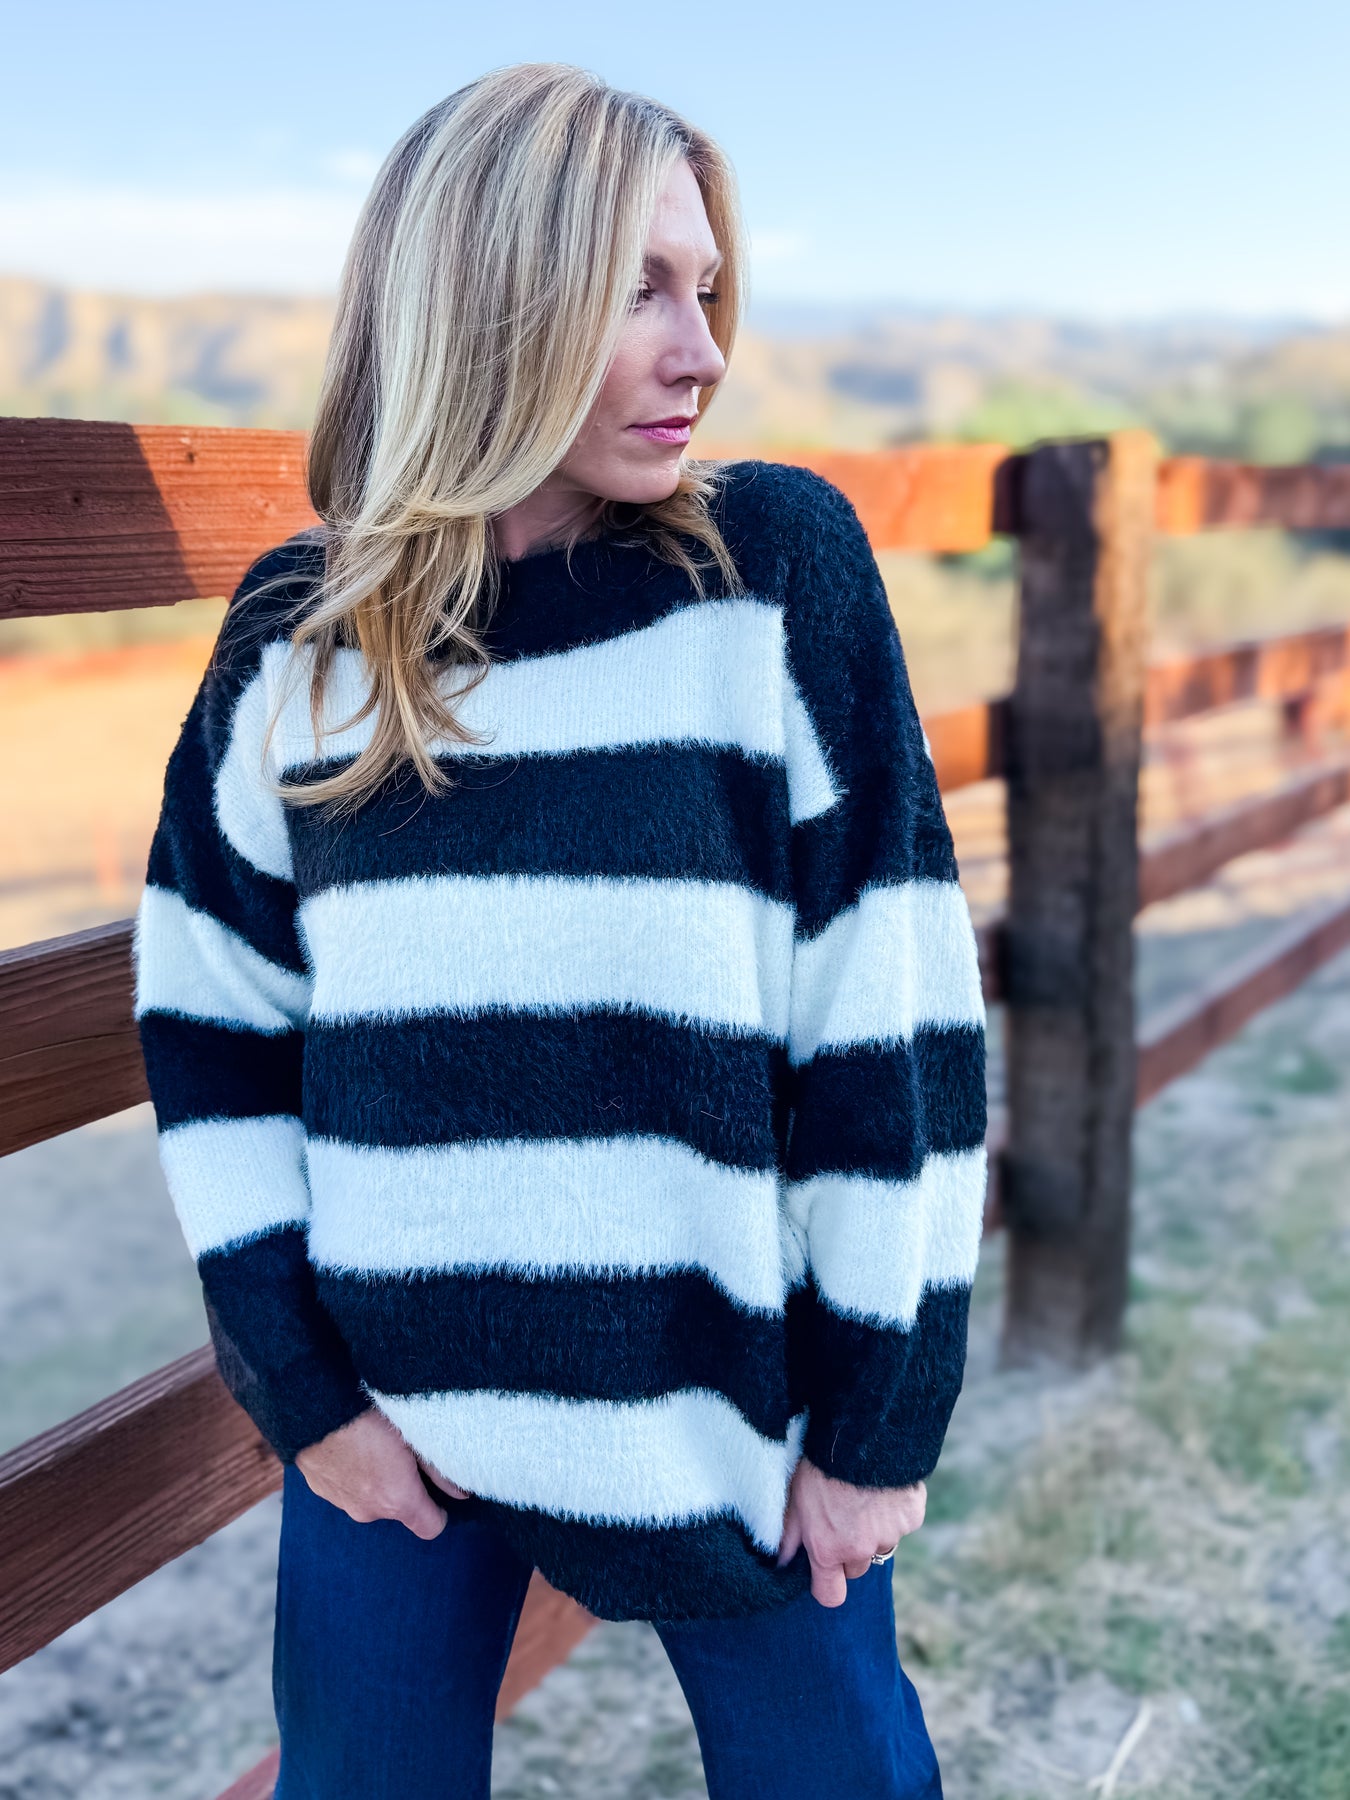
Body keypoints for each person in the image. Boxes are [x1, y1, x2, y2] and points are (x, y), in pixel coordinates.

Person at [133, 61, 987, 1800]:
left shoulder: (767, 572)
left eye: (708, 291)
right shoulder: (302, 635)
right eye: (639, 292)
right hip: (394, 1430)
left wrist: (877, 1418)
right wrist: (307, 1396)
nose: (702, 352)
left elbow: (882, 1009)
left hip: (733, 1419)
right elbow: (213, 1022)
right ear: (484, 301)